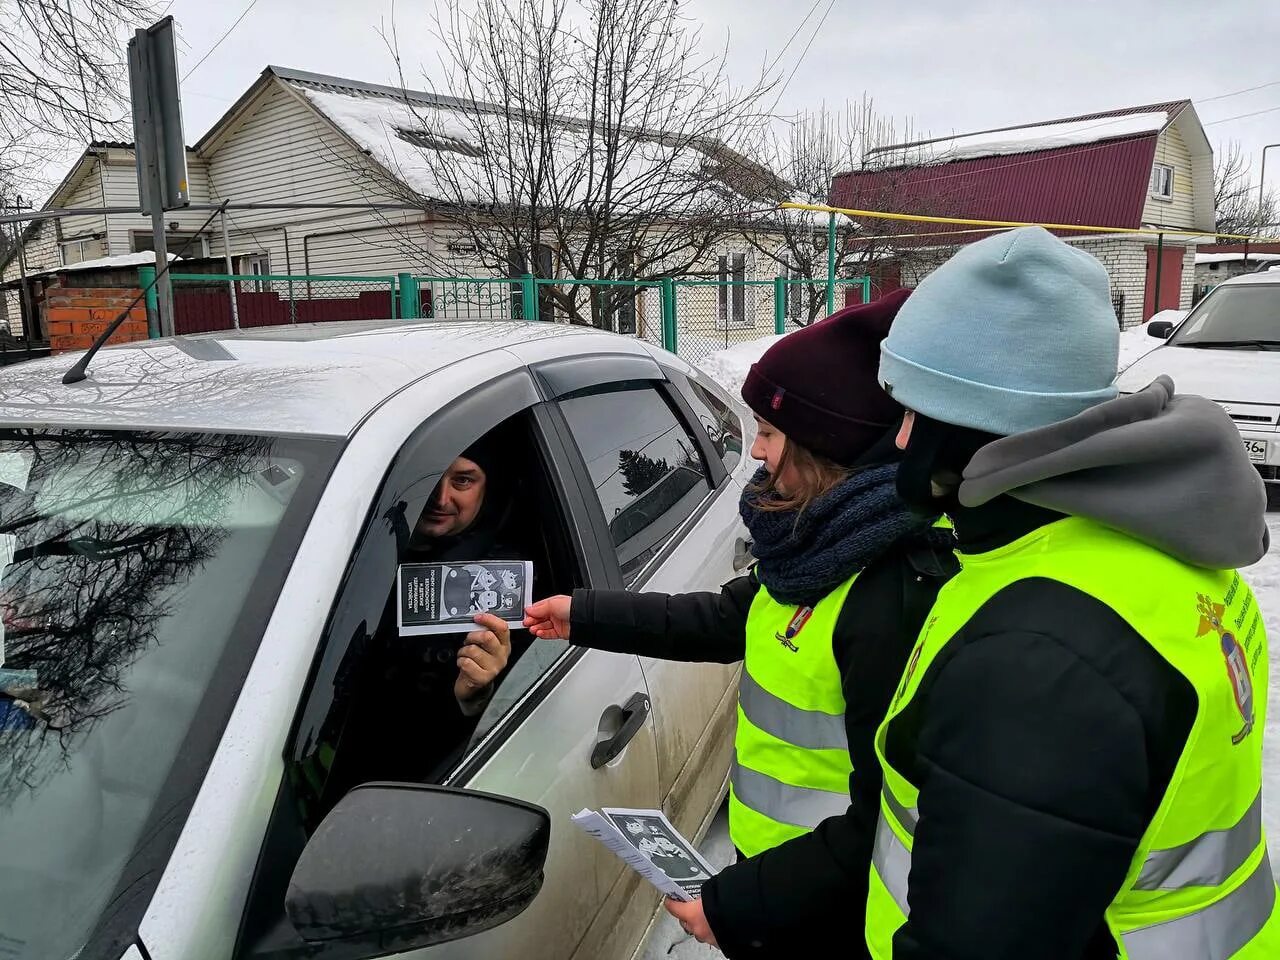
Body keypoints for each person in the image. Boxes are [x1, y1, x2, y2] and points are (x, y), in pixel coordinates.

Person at [868, 225, 1278, 959]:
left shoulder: (1039, 660)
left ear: (980, 420)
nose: (900, 443)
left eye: (913, 413)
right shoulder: (1158, 546)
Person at [524, 293, 957, 958]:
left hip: (839, 910)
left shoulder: (890, 595)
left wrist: (737, 906)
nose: (753, 450)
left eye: (770, 433)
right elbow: (729, 617)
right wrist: (583, 613)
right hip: (783, 882)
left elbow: (889, 819)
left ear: (829, 448)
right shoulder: (818, 552)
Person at [300, 434, 524, 816]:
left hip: (423, 791)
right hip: (315, 768)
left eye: (463, 481)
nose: (439, 499)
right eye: (428, 477)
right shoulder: (338, 551)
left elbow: (507, 728)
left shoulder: (504, 583)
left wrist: (476, 695)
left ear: (488, 486)